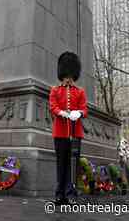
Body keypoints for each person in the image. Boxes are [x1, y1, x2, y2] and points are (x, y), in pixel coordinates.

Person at [49, 52, 88, 204]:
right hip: (60, 133)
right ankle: (60, 194)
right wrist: (64, 113)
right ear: (62, 75)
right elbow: (53, 107)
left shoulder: (80, 92)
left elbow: (85, 109)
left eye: (71, 76)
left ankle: (71, 194)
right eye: (67, 75)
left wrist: (79, 113)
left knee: (73, 164)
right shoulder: (55, 90)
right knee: (61, 163)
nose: (69, 78)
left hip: (75, 133)